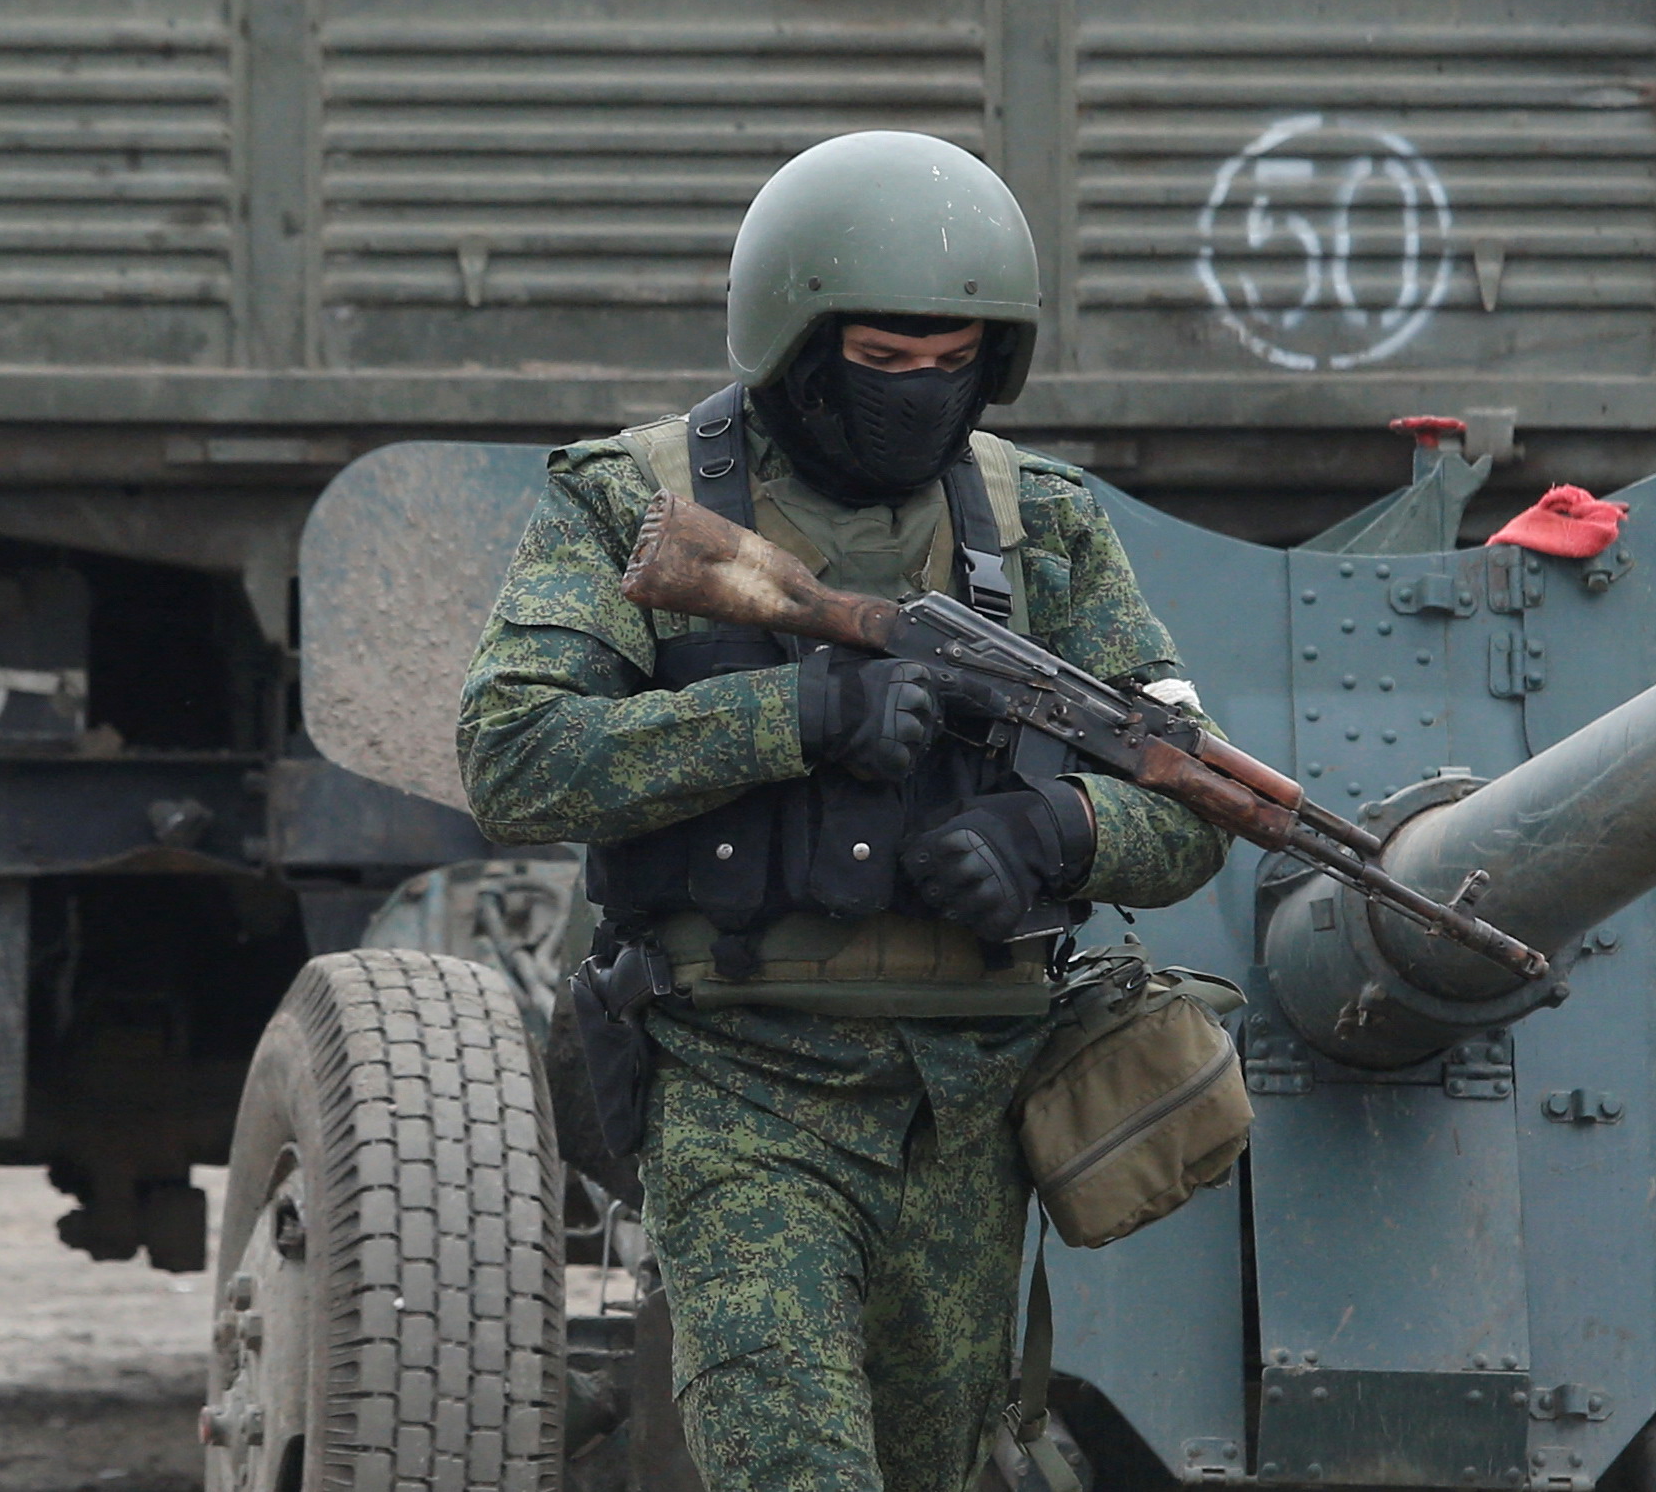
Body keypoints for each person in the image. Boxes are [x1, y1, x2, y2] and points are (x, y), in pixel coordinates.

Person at [458, 129, 1232, 1492]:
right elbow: (516, 754)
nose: (917, 395)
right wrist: (794, 713)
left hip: (971, 1114)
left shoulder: (1039, 525)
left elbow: (1195, 799)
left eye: (952, 365)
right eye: (880, 362)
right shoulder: (635, 498)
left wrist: (1054, 836)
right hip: (742, 1082)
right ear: (797, 346)